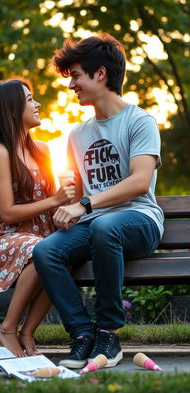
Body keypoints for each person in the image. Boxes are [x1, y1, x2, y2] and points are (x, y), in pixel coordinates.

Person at [33, 33, 164, 368]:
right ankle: (82, 334)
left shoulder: (140, 120)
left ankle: (108, 332)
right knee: (46, 251)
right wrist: (67, 194)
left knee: (106, 226)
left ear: (100, 74)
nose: (71, 84)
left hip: (139, 220)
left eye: (76, 75)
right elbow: (77, 187)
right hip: (96, 225)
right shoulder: (77, 134)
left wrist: (86, 205)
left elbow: (138, 181)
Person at [0, 77, 75, 357]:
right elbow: (8, 212)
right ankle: (7, 329)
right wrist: (55, 199)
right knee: (45, 251)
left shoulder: (42, 149)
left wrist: (66, 204)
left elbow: (48, 200)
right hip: (8, 237)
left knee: (65, 256)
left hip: (41, 233)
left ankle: (26, 332)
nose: (37, 104)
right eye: (29, 99)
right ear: (11, 110)